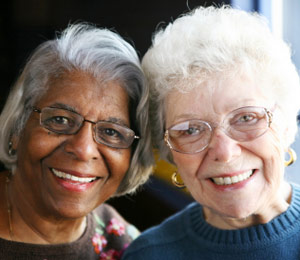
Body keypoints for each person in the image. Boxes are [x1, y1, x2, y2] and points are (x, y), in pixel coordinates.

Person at [122, 5, 300, 260]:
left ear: (284, 124)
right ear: (170, 152)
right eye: (191, 129)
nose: (225, 153)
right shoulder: (149, 255)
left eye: (246, 118)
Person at [0, 22, 153, 259]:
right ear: (17, 129)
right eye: (60, 120)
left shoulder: (127, 248)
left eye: (112, 132)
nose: (83, 149)